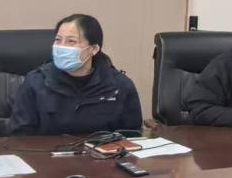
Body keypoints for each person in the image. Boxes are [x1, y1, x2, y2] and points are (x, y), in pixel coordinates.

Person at [8, 13, 143, 135]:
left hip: (103, 154)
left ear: (94, 49)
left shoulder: (120, 86)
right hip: (45, 154)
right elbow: (20, 137)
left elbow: (132, 136)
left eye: (71, 41)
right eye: (58, 40)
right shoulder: (35, 83)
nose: (62, 47)